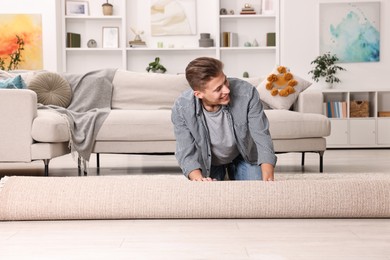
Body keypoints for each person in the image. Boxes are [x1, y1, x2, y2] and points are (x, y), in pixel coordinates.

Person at [171, 57, 277, 182]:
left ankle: (234, 170)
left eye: (225, 81)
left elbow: (261, 134)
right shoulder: (182, 108)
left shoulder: (247, 93)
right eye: (218, 89)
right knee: (206, 193)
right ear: (199, 94)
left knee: (256, 186)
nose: (227, 90)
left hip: (243, 155)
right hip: (208, 161)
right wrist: (198, 179)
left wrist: (268, 176)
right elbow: (185, 149)